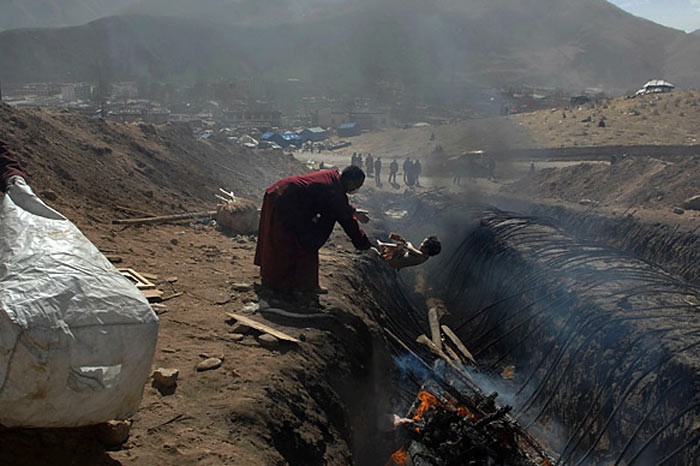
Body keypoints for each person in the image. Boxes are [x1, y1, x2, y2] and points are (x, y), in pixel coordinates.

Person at [254, 166, 372, 293]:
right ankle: (280, 284)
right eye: (357, 185)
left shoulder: (332, 178)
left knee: (301, 240)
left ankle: (302, 283)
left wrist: (352, 211)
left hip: (280, 191)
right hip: (285, 199)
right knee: (287, 241)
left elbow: (337, 202)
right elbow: (346, 220)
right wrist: (364, 244)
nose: (356, 189)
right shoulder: (333, 188)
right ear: (350, 181)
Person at [375, 233, 441, 270]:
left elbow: (410, 248)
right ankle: (383, 246)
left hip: (395, 260)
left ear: (427, 249)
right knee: (401, 247)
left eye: (423, 244)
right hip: (398, 263)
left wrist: (408, 243)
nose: (421, 244)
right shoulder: (425, 257)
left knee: (400, 246)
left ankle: (382, 246)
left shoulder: (421, 255)